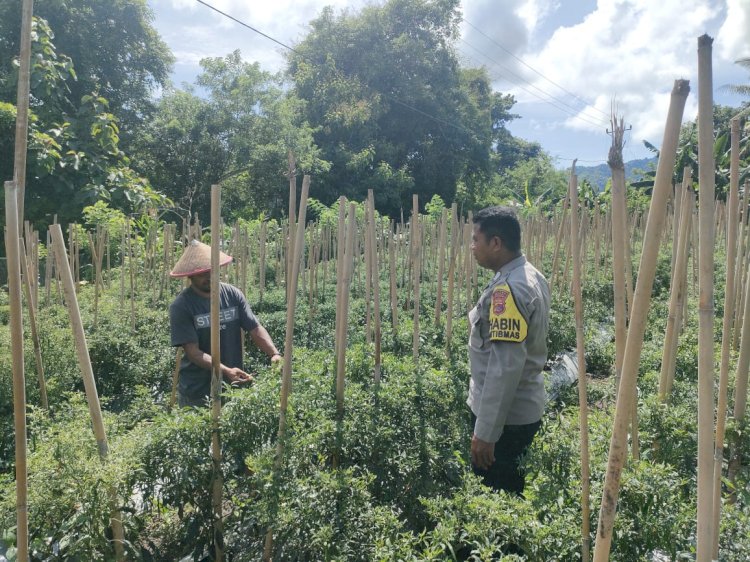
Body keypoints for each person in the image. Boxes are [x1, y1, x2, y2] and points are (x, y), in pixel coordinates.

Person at [467, 206, 550, 495]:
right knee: (511, 495)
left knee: (496, 503)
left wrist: (487, 433)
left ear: (496, 243)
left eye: (476, 239)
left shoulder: (509, 290)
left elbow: (504, 367)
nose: (472, 247)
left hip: (506, 422)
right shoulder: (530, 275)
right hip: (517, 414)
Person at [169, 239, 282, 407]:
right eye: (202, 273)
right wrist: (226, 371)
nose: (209, 277)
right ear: (190, 276)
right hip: (198, 390)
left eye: (212, 271)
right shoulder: (182, 306)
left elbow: (254, 327)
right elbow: (193, 352)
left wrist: (274, 353)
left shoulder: (232, 294)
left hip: (233, 384)